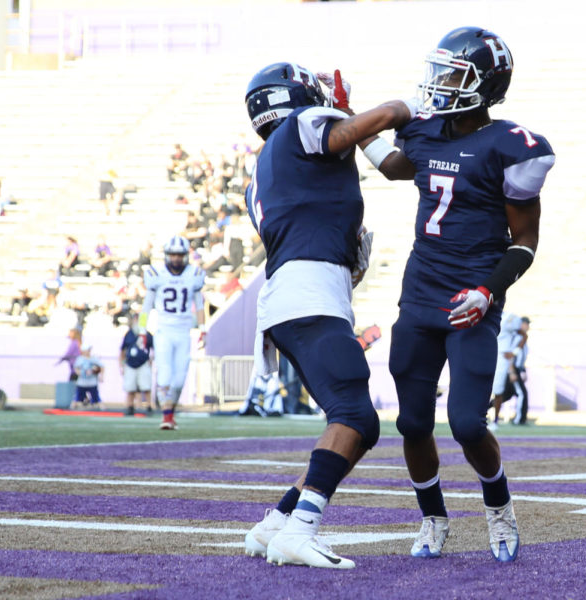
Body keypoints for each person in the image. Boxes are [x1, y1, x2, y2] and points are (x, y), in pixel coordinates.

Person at [371, 27, 554, 562]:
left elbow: (525, 242)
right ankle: (432, 518)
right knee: (410, 422)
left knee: (469, 422)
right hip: (420, 290)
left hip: (471, 299)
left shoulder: (511, 146)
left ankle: (498, 507)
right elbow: (393, 167)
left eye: (453, 73)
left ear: (484, 83)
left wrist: (488, 290)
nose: (440, 82)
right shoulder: (426, 132)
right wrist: (356, 125)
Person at [240, 61, 418, 570]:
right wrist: (402, 110)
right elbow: (364, 135)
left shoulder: (267, 165)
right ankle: (300, 531)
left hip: (294, 297)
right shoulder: (304, 125)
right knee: (356, 417)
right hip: (309, 295)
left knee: (348, 420)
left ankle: (277, 522)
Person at [140, 235, 206, 430]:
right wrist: (142, 330)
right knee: (165, 375)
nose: (176, 258)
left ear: (185, 256)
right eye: (173, 254)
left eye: (180, 255)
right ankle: (167, 416)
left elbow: (200, 305)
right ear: (167, 255)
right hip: (164, 331)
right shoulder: (156, 274)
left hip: (184, 331)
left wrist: (203, 329)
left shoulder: (194, 274)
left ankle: (170, 413)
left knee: (179, 379)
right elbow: (146, 306)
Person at [489, 312, 526, 431]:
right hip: (485, 352)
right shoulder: (483, 313)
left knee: (498, 390)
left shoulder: (508, 318)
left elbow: (524, 335)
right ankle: (480, 416)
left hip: (501, 356)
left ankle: (494, 421)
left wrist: (514, 352)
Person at [119, 315, 154, 416]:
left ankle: (149, 406)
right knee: (130, 387)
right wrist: (122, 364)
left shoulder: (147, 335)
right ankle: (130, 407)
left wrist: (151, 360)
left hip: (143, 363)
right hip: (130, 364)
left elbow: (154, 348)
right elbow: (122, 350)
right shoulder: (129, 334)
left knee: (146, 386)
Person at [505, 316, 531, 425]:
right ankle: (519, 420)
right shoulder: (516, 337)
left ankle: (486, 408)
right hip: (512, 370)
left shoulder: (523, 338)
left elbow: (521, 357)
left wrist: (523, 370)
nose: (527, 326)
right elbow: (510, 355)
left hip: (517, 369)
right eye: (525, 324)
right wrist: (512, 371)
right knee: (521, 394)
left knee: (506, 395)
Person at [72, 344, 103, 409]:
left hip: (92, 382)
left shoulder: (94, 358)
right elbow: (76, 368)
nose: (89, 351)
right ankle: (71, 409)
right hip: (82, 382)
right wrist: (80, 373)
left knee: (96, 397)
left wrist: (101, 376)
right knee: (77, 397)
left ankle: (102, 409)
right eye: (87, 350)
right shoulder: (80, 359)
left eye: (89, 350)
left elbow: (101, 367)